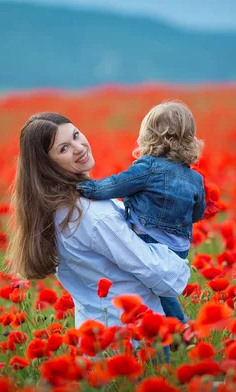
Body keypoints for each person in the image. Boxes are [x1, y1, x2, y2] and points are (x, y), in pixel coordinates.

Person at [4, 112, 190, 330]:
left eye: (75, 135)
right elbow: (155, 272)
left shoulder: (55, 209)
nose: (79, 147)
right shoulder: (92, 215)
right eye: (63, 148)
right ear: (47, 165)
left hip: (98, 335)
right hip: (135, 337)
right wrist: (177, 241)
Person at [76, 101, 205, 324]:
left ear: (149, 136)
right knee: (160, 288)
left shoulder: (148, 167)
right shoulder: (196, 178)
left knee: (144, 281)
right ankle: (179, 324)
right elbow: (197, 214)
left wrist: (86, 189)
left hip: (150, 240)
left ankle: (174, 324)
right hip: (179, 249)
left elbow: (116, 186)